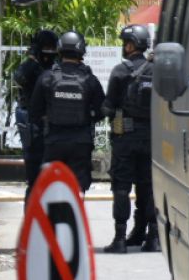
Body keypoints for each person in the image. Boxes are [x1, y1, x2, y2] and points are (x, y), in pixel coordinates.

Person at [102, 24, 159, 254]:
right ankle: (152, 238)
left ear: (130, 45)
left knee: (122, 188)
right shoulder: (157, 71)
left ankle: (120, 239)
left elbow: (108, 106)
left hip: (125, 137)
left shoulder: (120, 71)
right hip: (153, 137)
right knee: (150, 187)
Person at [28, 31, 105, 192]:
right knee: (78, 187)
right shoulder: (90, 80)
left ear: (60, 50)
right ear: (81, 51)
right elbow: (101, 111)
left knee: (49, 186)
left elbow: (34, 112)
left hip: (54, 142)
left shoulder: (47, 77)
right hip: (81, 143)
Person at [12, 29, 58, 203]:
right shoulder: (31, 66)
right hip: (32, 121)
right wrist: (32, 59)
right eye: (45, 48)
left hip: (51, 122)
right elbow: (19, 78)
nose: (49, 52)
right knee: (34, 172)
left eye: (51, 48)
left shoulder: (57, 66)